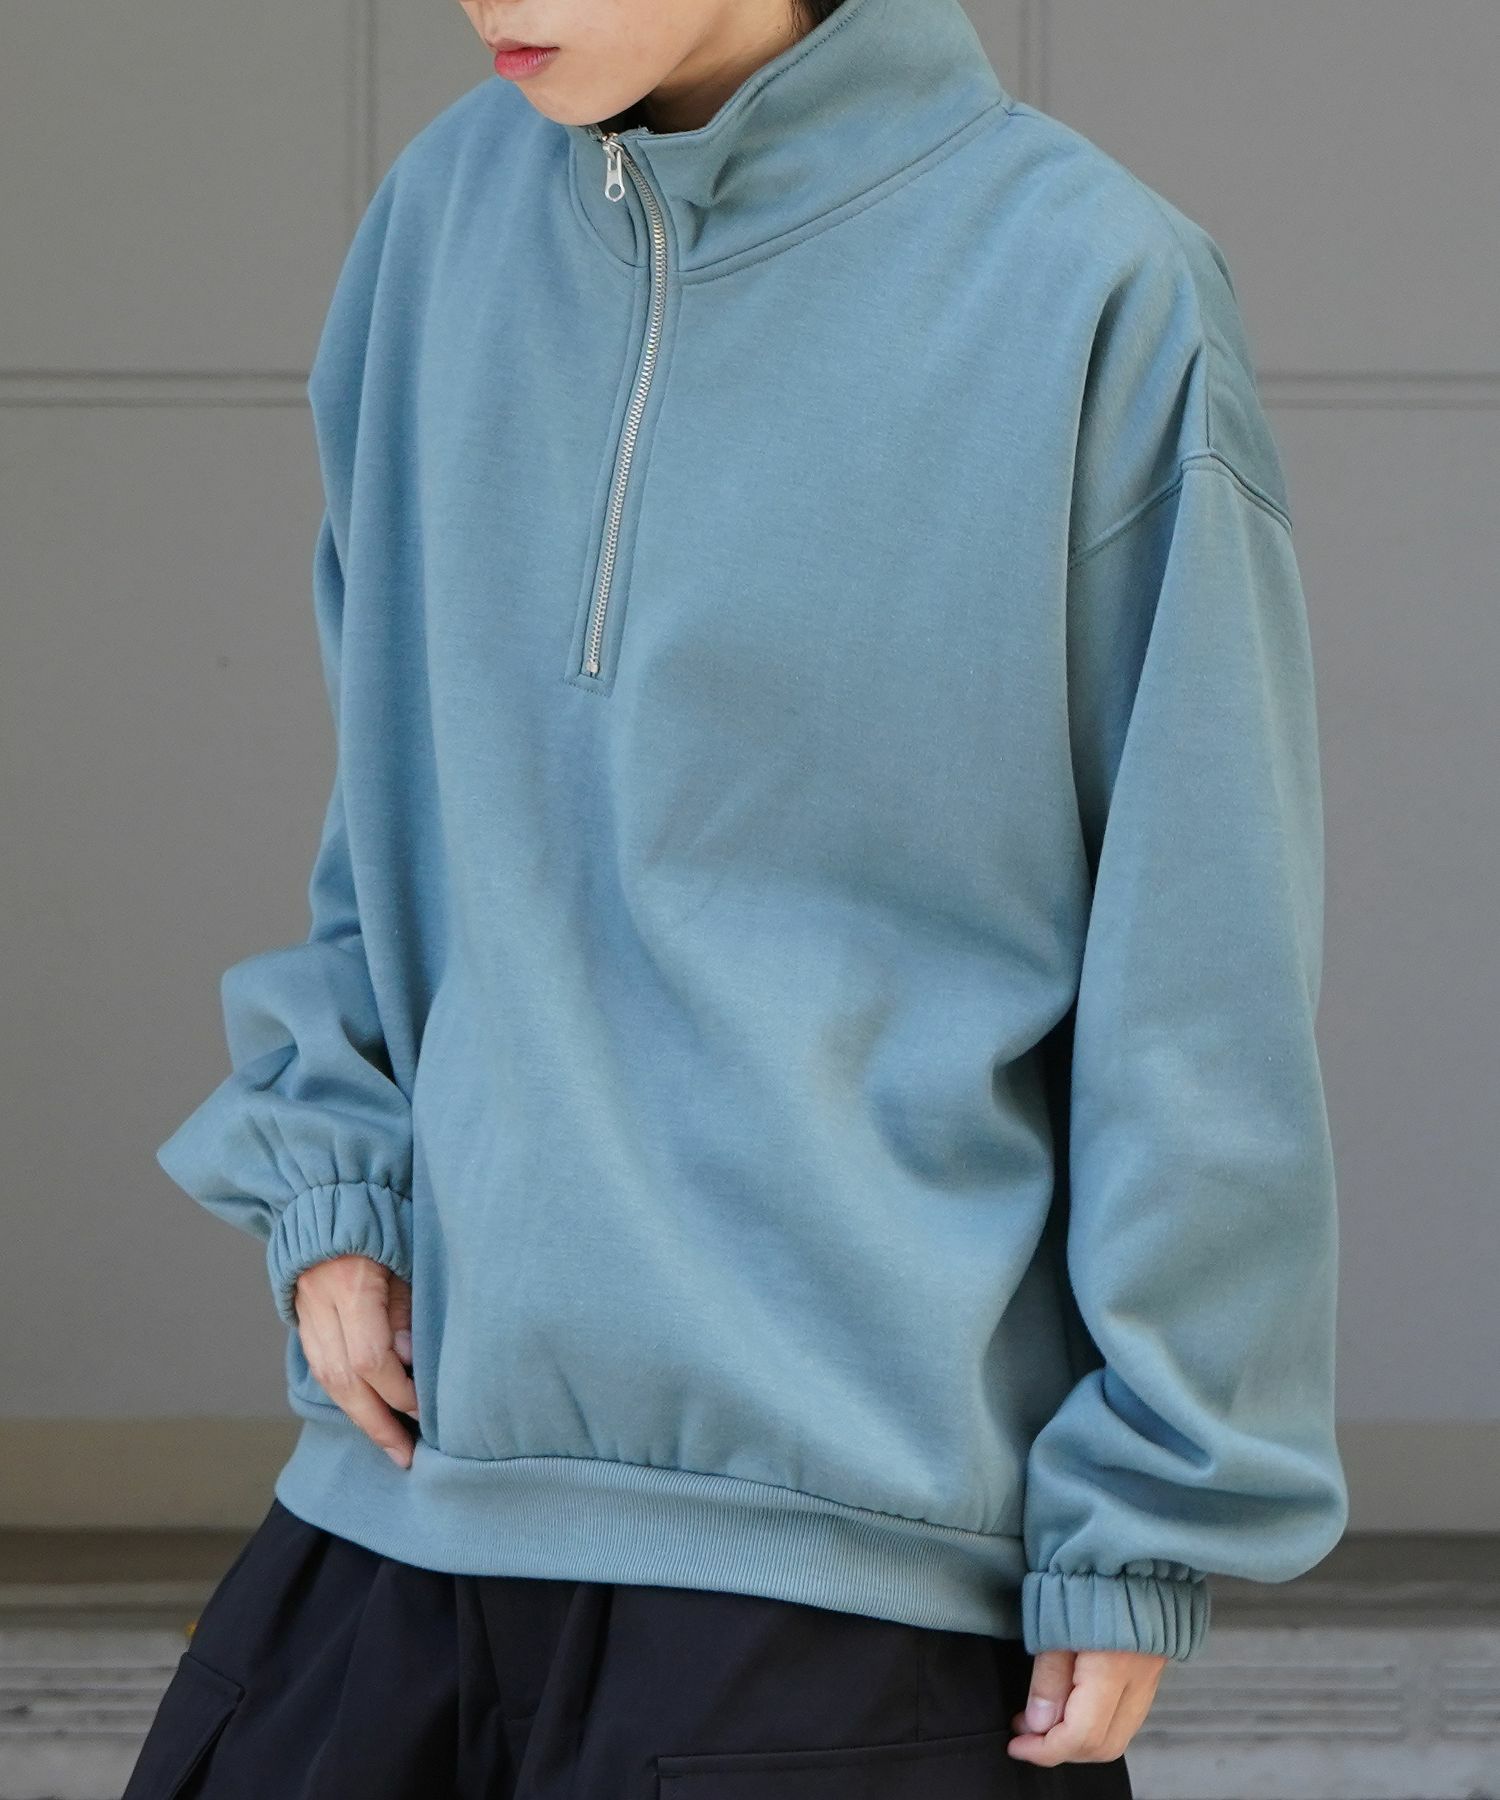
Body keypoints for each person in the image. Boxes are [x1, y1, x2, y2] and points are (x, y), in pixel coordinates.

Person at [126, 0, 1349, 1791]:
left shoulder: (1090, 284)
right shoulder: (442, 220)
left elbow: (1201, 960)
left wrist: (1153, 1499)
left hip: (841, 1554)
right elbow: (396, 809)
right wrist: (333, 1184)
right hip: (414, 1481)